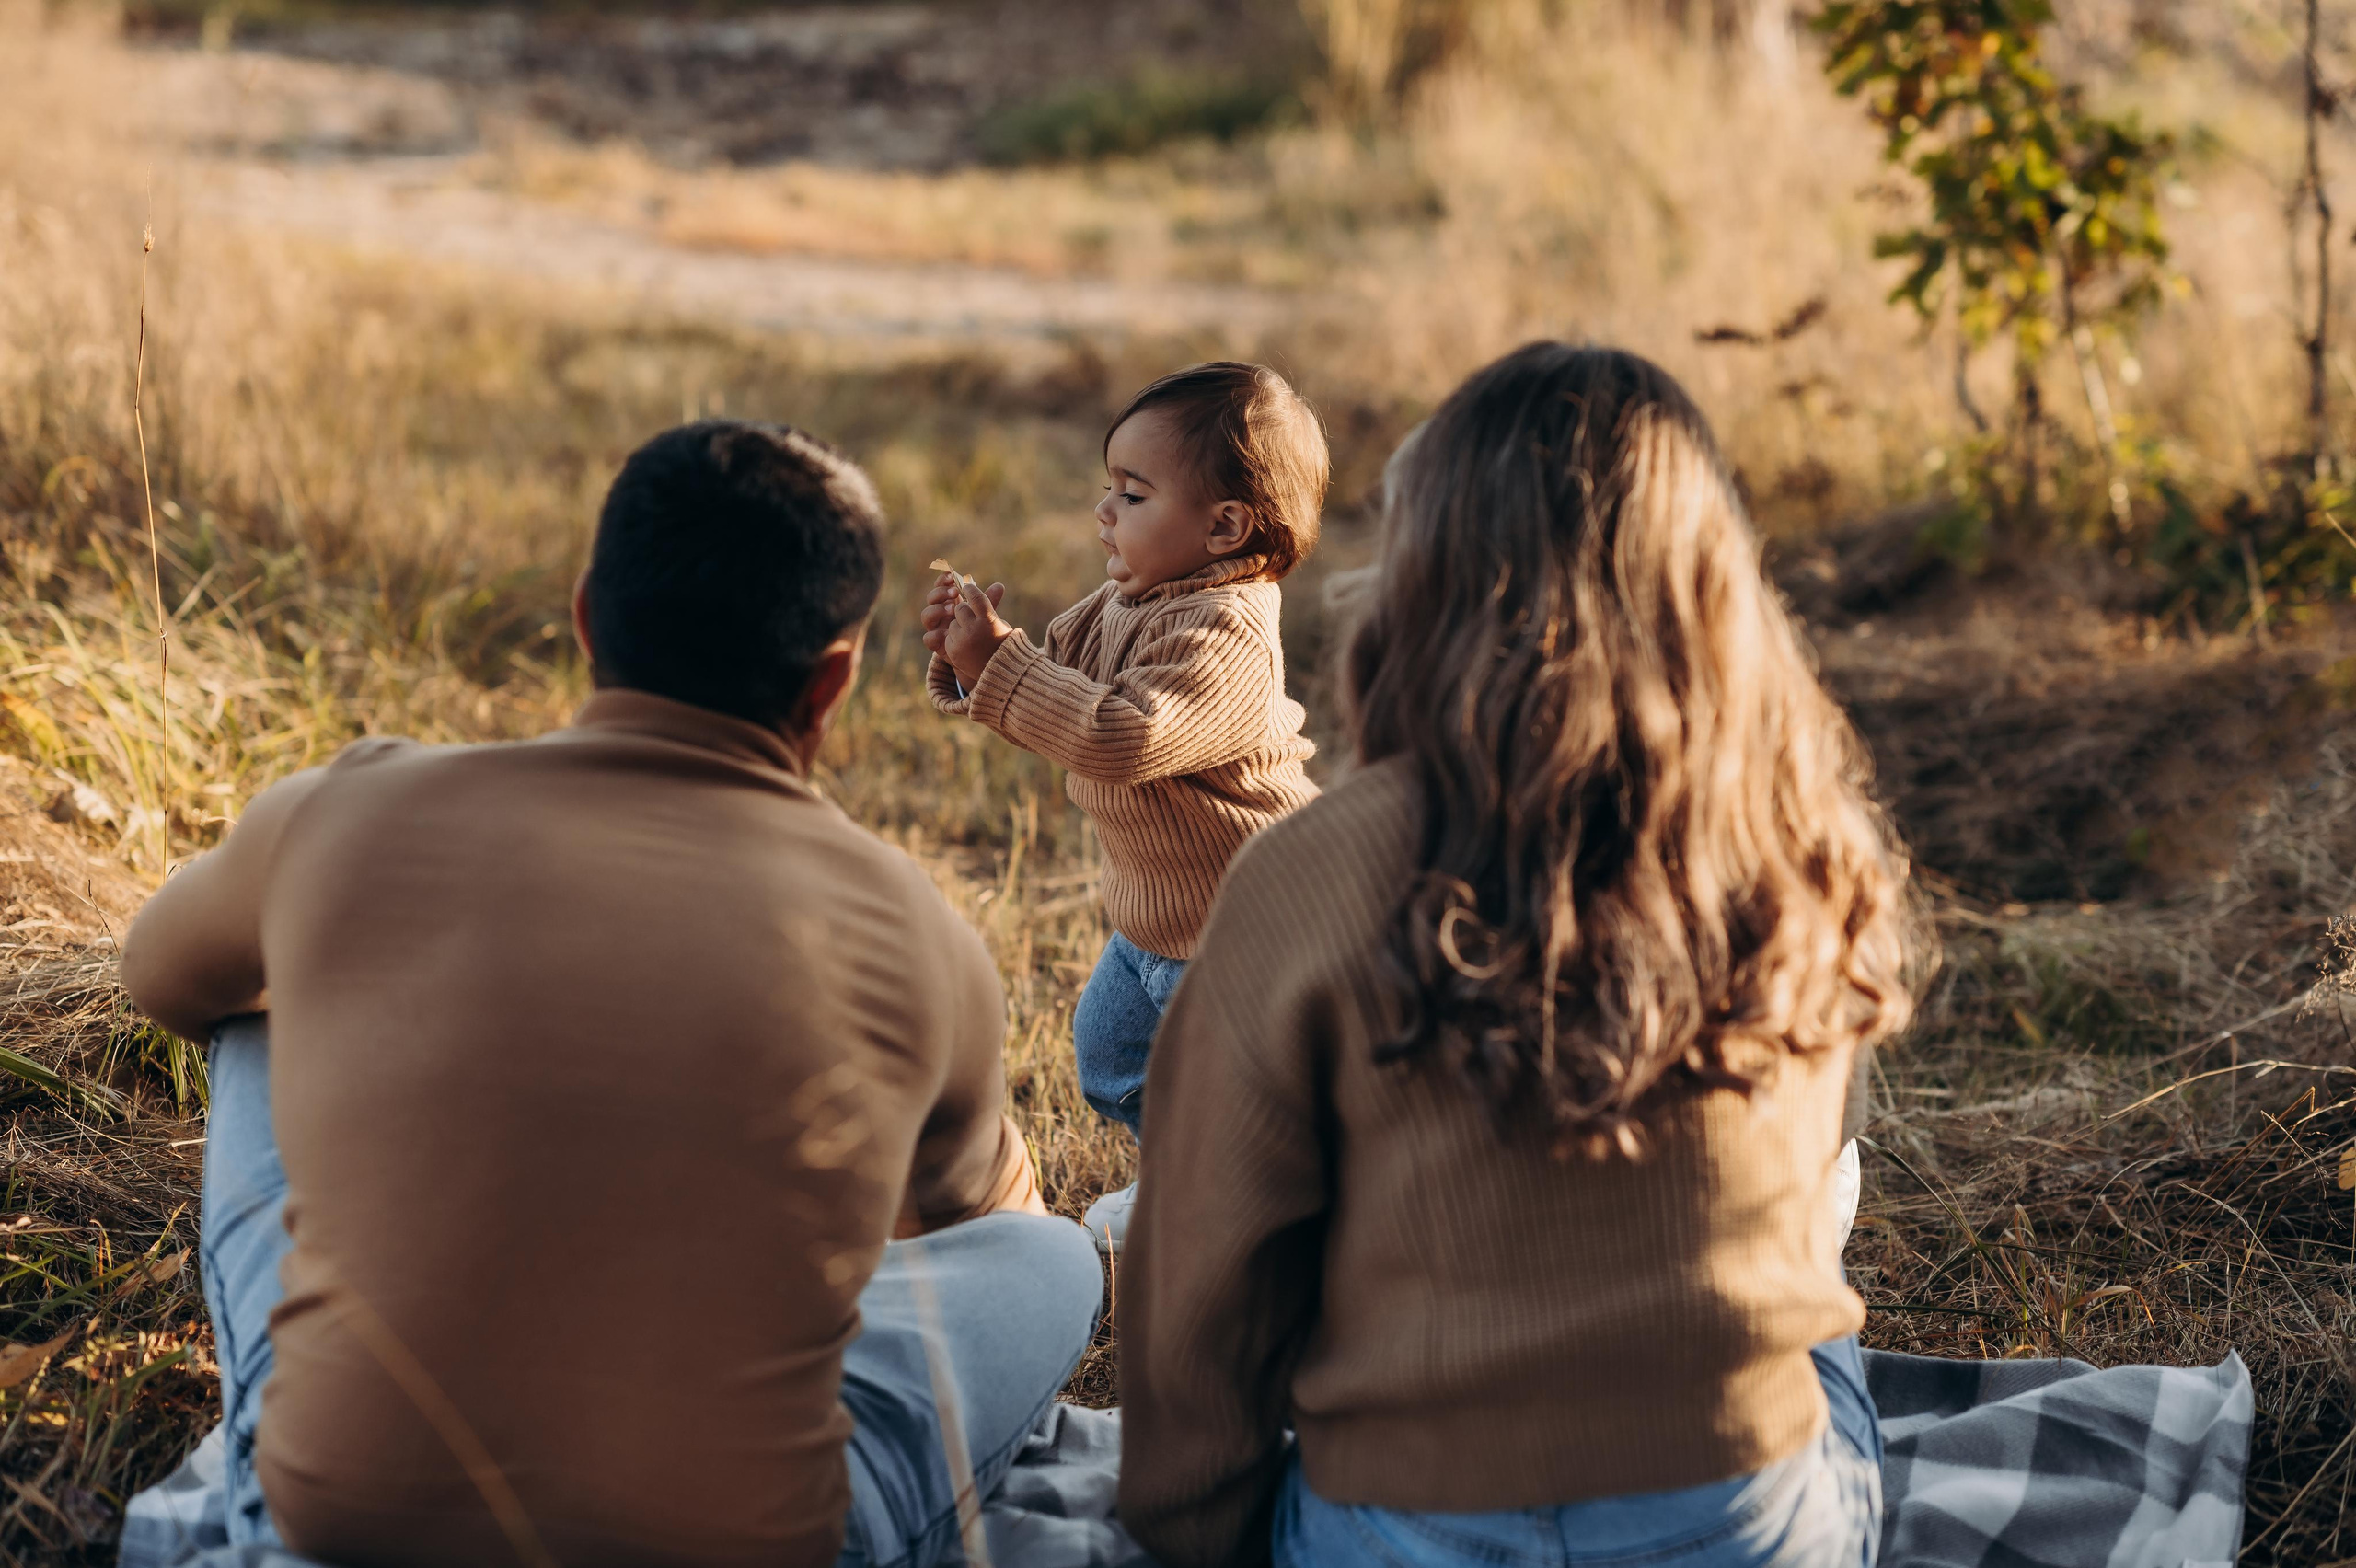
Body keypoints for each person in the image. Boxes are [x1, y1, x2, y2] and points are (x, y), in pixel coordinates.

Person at [121, 421, 1103, 1568]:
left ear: (586, 614)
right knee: (1054, 1258)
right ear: (833, 679)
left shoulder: (340, 811)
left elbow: (162, 978)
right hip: (751, 1542)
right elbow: (960, 1221)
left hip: (335, 1514)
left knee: (256, 1008)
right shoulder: (920, 933)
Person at [1116, 344, 1919, 1568]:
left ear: (1426, 574)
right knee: (1826, 1238)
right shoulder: (1800, 836)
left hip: (1402, 1516)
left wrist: (1194, 1534)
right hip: (1738, 1519)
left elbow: (1204, 1287)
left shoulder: (1308, 871)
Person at [920, 362, 1328, 1256]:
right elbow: (1050, 676)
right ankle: (1195, 1182)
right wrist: (972, 660)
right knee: (1110, 1062)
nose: (1104, 512)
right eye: (1110, 488)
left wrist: (1008, 668)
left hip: (1246, 929)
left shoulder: (1226, 633)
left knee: (1224, 1094)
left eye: (1133, 495)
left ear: (1224, 525)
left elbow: (1123, 737)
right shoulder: (1128, 601)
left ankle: (1251, 1213)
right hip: (1156, 925)